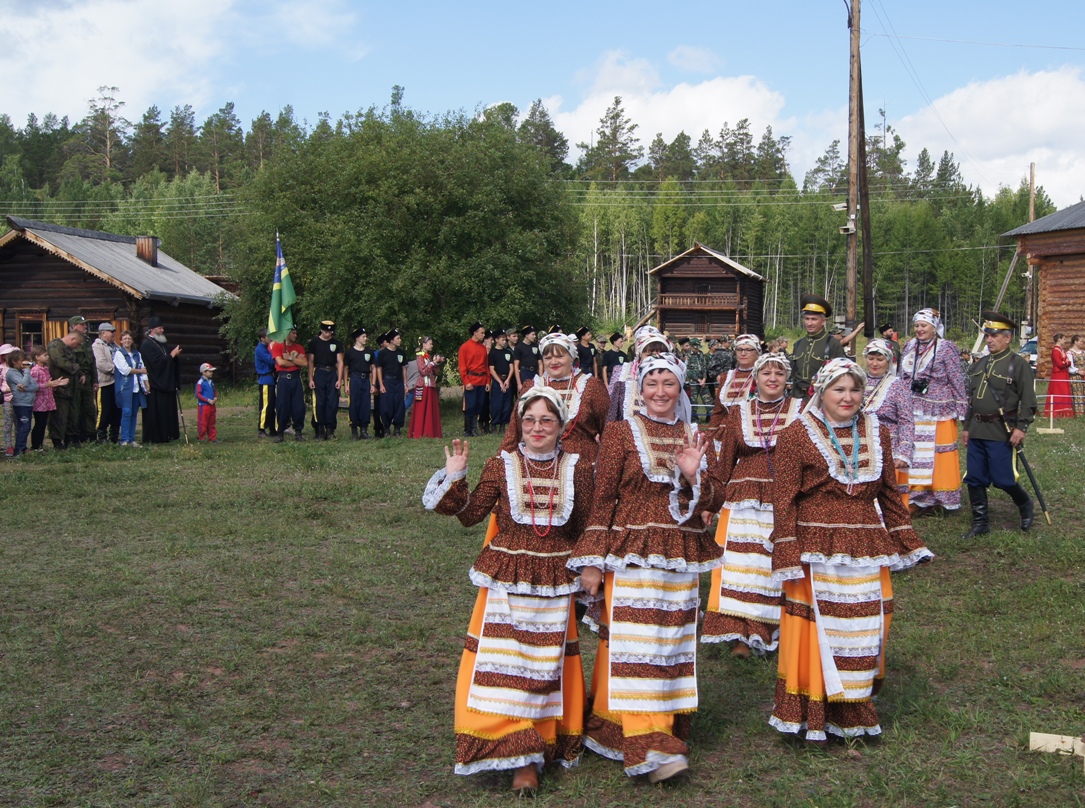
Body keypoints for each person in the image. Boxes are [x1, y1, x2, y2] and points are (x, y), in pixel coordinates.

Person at [422, 386, 595, 793]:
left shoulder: (578, 468)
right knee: (504, 665)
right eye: (530, 419)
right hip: (505, 578)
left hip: (554, 582)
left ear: (561, 426)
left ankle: (535, 751)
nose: (537, 428)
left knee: (543, 668)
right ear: (519, 422)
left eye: (546, 420)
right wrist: (455, 477)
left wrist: (590, 567)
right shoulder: (501, 465)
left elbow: (587, 526)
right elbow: (468, 516)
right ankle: (514, 751)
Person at [567, 353, 722, 783]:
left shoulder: (695, 435)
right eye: (652, 382)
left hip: (681, 553)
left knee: (670, 645)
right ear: (639, 387)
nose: (659, 392)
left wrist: (694, 476)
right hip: (631, 551)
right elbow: (603, 499)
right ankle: (651, 746)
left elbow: (715, 500)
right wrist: (594, 561)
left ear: (681, 389)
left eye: (668, 383)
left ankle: (617, 726)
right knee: (638, 645)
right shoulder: (619, 433)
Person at [769, 358, 932, 744]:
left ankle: (854, 707)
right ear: (821, 392)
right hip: (814, 543)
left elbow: (890, 492)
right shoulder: (796, 434)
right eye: (838, 389)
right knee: (816, 629)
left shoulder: (877, 432)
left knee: (866, 625)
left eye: (855, 390)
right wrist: (787, 549)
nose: (847, 397)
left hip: (866, 540)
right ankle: (811, 712)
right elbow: (783, 499)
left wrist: (907, 538)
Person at [703, 351, 801, 657]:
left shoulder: (802, 411)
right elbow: (723, 464)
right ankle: (739, 635)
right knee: (740, 566)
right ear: (755, 379)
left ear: (788, 380)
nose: (772, 379)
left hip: (783, 498)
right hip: (742, 501)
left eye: (779, 374)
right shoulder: (740, 413)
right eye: (766, 373)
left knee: (770, 564)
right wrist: (710, 503)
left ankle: (773, 628)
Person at [961, 312, 1038, 538]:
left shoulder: (1017, 364)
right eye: (987, 335)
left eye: (994, 335)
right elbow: (972, 399)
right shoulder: (980, 363)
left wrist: (1021, 427)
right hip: (977, 429)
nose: (989, 339)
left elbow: (1029, 401)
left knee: (1003, 479)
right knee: (974, 478)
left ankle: (1025, 504)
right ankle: (980, 523)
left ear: (1007, 337)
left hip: (1001, 431)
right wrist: (966, 427)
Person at [500, 331, 610, 462]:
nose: (553, 362)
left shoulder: (591, 387)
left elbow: (608, 432)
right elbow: (514, 431)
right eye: (547, 358)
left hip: (582, 463)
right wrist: (501, 461)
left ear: (572, 357)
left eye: (559, 356)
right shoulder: (532, 387)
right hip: (537, 462)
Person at [900, 308, 968, 515]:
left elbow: (956, 379)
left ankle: (940, 498)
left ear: (934, 327)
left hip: (939, 410)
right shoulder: (909, 346)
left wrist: (962, 409)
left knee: (939, 455)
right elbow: (902, 376)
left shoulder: (946, 348)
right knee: (916, 452)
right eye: (917, 325)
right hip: (913, 408)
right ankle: (915, 497)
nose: (919, 329)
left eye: (924, 325)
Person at [862, 338, 915, 507]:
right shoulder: (857, 381)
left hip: (887, 446)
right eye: (871, 358)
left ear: (889, 360)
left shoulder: (897, 386)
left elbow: (906, 421)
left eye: (880, 359)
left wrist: (904, 451)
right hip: (860, 445)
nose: (875, 363)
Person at [606, 325, 672, 422]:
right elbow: (612, 405)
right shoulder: (621, 371)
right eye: (649, 355)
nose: (653, 359)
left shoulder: (671, 375)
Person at [790, 295, 845, 406]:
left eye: (814, 319)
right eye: (807, 319)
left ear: (824, 321)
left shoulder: (832, 344)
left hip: (820, 400)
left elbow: (842, 375)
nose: (809, 323)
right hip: (797, 399)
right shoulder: (798, 344)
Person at [704, 334, 761, 441]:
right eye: (739, 349)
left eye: (748, 349)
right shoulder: (727, 377)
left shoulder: (763, 375)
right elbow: (718, 412)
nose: (743, 353)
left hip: (754, 434)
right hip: (726, 434)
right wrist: (710, 437)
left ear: (757, 353)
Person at [140, 316, 182, 445]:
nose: (162, 330)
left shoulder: (162, 343)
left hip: (167, 383)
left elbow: (167, 360)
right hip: (156, 384)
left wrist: (174, 357)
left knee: (167, 411)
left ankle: (168, 433)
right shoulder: (147, 345)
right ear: (152, 330)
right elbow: (155, 365)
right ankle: (157, 436)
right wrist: (171, 356)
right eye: (160, 328)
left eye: (162, 328)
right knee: (156, 412)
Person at [46, 329, 83, 451]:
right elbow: (61, 362)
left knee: (72, 415)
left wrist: (81, 373)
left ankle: (70, 440)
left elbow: (73, 363)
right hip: (59, 387)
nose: (77, 347)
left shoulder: (69, 349)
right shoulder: (55, 346)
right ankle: (57, 441)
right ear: (72, 339)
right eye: (77, 344)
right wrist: (77, 369)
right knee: (59, 416)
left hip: (71, 388)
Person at [307, 321, 345, 440]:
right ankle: (320, 429)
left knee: (332, 403)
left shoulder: (336, 343)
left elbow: (340, 362)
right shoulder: (314, 343)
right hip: (319, 371)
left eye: (330, 332)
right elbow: (311, 362)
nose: (328, 334)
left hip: (332, 372)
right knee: (320, 402)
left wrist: (339, 379)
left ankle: (330, 429)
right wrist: (310, 378)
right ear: (321, 330)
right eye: (326, 332)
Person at [271, 325, 306, 443]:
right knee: (282, 406)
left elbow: (304, 363)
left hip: (296, 379)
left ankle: (298, 431)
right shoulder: (278, 345)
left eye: (296, 333)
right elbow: (280, 362)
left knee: (298, 406)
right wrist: (296, 362)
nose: (295, 335)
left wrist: (290, 358)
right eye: (293, 333)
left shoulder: (299, 347)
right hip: (283, 379)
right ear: (287, 333)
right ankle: (280, 431)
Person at [112, 330, 147, 447]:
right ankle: (124, 439)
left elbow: (143, 368)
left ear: (132, 341)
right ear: (121, 341)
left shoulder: (137, 354)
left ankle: (131, 439)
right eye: (125, 338)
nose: (127, 340)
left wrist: (146, 383)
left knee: (134, 413)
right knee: (126, 412)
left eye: (129, 338)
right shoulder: (119, 354)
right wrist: (140, 371)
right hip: (125, 387)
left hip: (137, 387)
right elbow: (125, 370)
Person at [29, 345, 68, 452]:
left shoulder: (46, 369)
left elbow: (48, 384)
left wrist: (57, 384)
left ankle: (40, 445)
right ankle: (35, 445)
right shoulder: (35, 371)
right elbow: (34, 386)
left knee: (43, 424)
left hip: (47, 400)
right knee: (39, 423)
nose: (47, 357)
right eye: (45, 355)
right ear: (37, 357)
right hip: (39, 401)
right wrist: (48, 384)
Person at [68, 316, 98, 446]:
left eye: (85, 324)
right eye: (82, 325)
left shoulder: (87, 340)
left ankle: (92, 434)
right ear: (74, 326)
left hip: (88, 378)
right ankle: (78, 435)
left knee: (90, 408)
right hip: (77, 378)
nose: (85, 327)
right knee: (77, 409)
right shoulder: (70, 341)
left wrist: (95, 380)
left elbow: (92, 361)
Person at [457, 323, 489, 438]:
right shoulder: (465, 347)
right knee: (470, 405)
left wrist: (487, 381)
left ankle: (474, 429)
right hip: (471, 380)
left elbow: (486, 366)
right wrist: (466, 382)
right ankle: (468, 429)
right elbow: (462, 367)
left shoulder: (482, 348)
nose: (483, 335)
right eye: (482, 332)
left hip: (482, 380)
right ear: (475, 333)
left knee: (479, 405)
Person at [408, 336, 444, 439]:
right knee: (421, 408)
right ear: (424, 344)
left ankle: (430, 431)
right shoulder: (420, 356)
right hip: (422, 386)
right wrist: (432, 363)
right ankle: (419, 431)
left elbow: (435, 372)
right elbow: (423, 371)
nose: (431, 346)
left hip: (430, 385)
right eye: (430, 344)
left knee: (430, 408)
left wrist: (436, 363)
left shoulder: (428, 357)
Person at [374, 328, 407, 437]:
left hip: (398, 381)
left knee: (399, 405)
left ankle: (397, 428)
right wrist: (381, 384)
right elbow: (379, 369)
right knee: (386, 405)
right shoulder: (383, 354)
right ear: (392, 340)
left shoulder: (401, 353)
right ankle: (386, 428)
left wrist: (405, 384)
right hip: (387, 381)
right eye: (398, 338)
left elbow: (404, 369)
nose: (400, 340)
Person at [4, 349, 37, 457]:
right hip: (21, 404)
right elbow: (25, 383)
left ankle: (21, 448)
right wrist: (27, 370)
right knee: (24, 427)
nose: (25, 363)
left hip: (28, 403)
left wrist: (27, 388)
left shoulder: (22, 372)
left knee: (26, 426)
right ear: (14, 361)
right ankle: (19, 451)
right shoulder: (12, 373)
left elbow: (34, 385)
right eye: (22, 361)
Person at [92, 322, 121, 444]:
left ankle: (114, 435)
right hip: (104, 382)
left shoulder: (116, 346)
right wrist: (119, 370)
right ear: (103, 333)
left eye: (114, 331)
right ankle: (101, 436)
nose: (114, 334)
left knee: (117, 409)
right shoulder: (97, 346)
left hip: (117, 383)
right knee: (104, 409)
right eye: (111, 331)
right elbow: (101, 364)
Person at [345, 327, 374, 440]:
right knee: (354, 404)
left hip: (365, 379)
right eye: (363, 336)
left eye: (366, 336)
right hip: (355, 379)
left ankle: (364, 430)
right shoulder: (350, 352)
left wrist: (373, 384)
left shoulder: (369, 352)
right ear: (357, 338)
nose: (365, 339)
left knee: (365, 404)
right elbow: (346, 369)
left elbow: (373, 368)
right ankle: (354, 430)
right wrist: (346, 384)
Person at [488, 330, 515, 431]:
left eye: (505, 340)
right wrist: (500, 382)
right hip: (497, 380)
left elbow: (511, 367)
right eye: (502, 340)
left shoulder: (508, 352)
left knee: (507, 404)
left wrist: (507, 380)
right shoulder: (493, 353)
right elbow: (491, 369)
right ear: (496, 340)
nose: (504, 342)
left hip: (507, 379)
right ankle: (494, 423)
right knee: (496, 403)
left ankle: (503, 424)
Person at [1044, 333, 1074, 418]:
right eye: (1064, 339)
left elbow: (1069, 362)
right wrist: (1066, 362)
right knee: (1058, 392)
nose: (1065, 341)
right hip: (1058, 374)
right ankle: (1056, 412)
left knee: (1064, 391)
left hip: (1064, 373)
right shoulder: (1055, 351)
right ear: (1059, 339)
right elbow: (1060, 364)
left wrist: (1066, 362)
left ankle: (1065, 412)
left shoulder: (1062, 350)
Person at [254, 329, 277, 438]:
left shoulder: (266, 348)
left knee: (272, 406)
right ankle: (261, 429)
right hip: (265, 380)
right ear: (262, 338)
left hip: (271, 380)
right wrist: (273, 350)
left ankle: (272, 428)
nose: (270, 338)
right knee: (266, 406)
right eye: (268, 336)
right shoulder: (260, 349)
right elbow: (271, 361)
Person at [685, 337, 710, 423]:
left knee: (708, 400)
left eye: (698, 347)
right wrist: (698, 380)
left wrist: (704, 379)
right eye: (695, 347)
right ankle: (694, 420)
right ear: (691, 346)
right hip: (693, 382)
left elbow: (704, 367)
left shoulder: (701, 354)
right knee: (693, 402)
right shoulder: (687, 355)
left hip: (703, 381)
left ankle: (711, 418)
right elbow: (687, 371)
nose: (697, 349)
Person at [195, 363, 218, 442]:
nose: (211, 373)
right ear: (204, 372)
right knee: (203, 422)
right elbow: (198, 394)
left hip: (212, 405)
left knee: (212, 422)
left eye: (211, 371)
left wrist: (215, 398)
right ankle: (201, 437)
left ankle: (212, 437)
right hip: (203, 405)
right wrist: (207, 400)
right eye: (209, 371)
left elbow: (214, 391)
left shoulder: (211, 382)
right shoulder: (200, 382)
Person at [1069, 334, 1085, 417]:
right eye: (1081, 341)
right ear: (1075, 342)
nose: (1082, 343)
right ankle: (1079, 414)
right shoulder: (1070, 353)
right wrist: (1078, 371)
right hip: (1076, 376)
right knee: (1077, 394)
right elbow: (1070, 367)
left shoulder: (1083, 352)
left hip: (1084, 376)